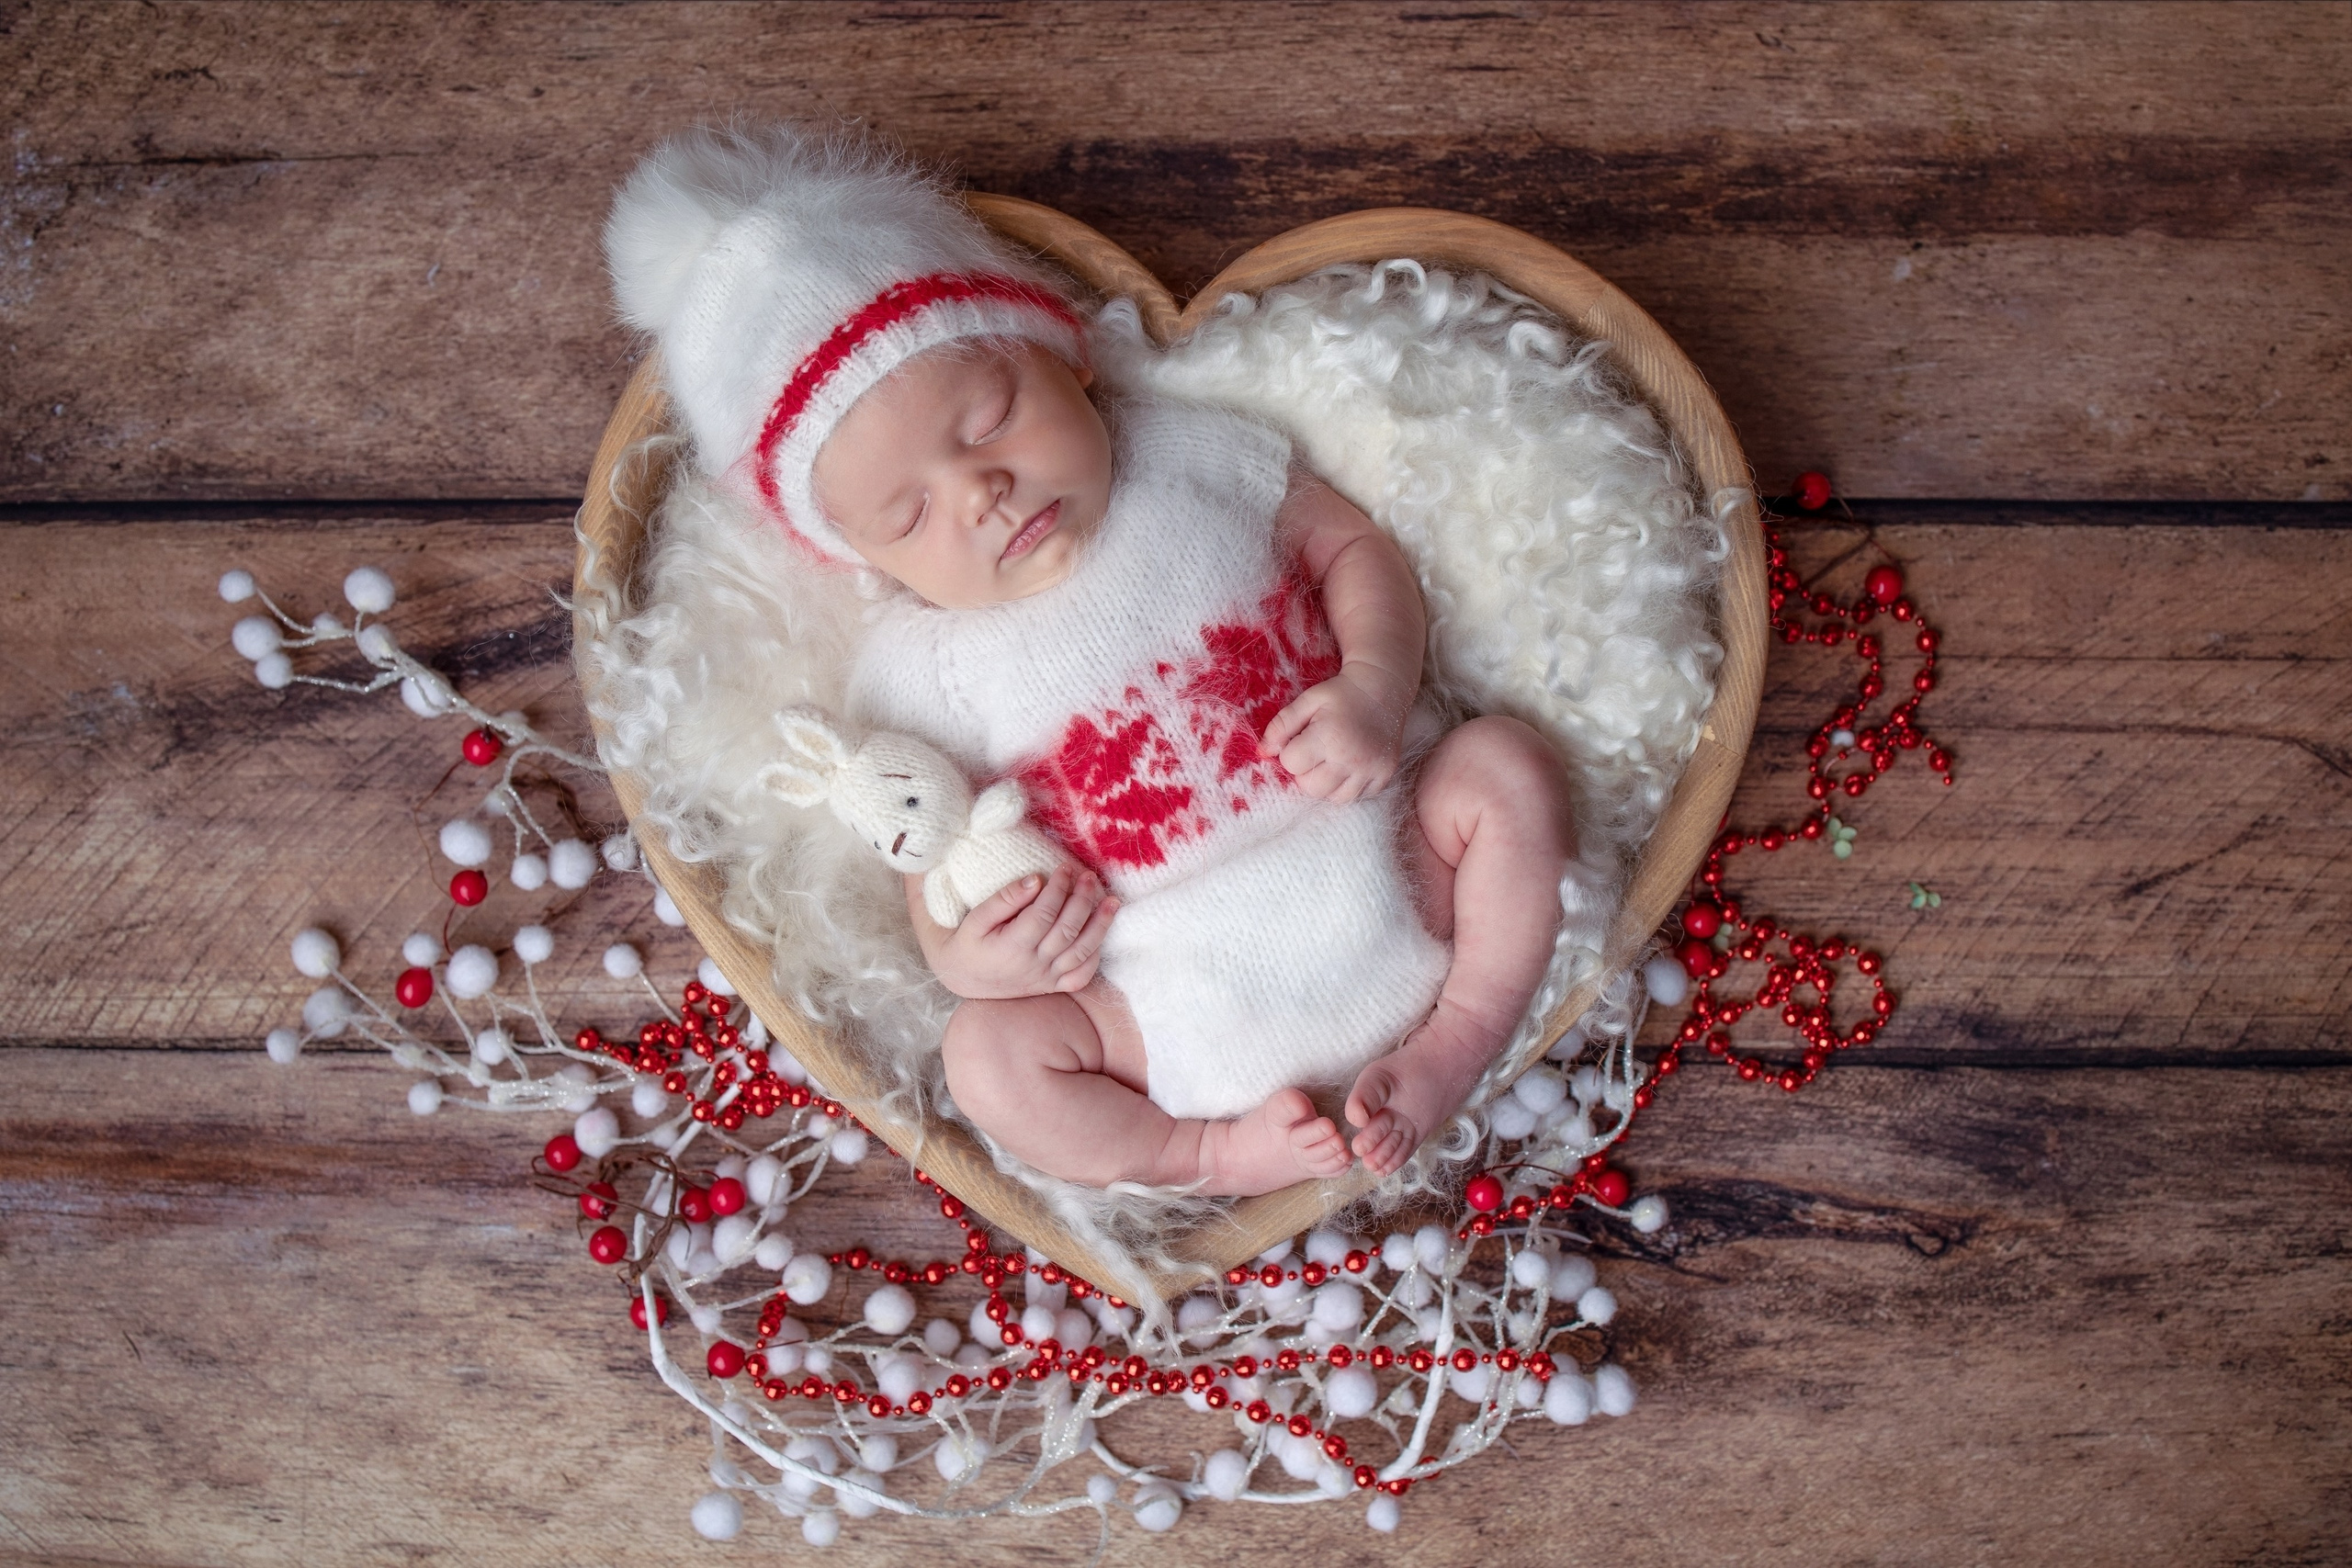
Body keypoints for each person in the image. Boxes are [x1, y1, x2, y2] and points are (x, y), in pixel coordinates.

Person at [606, 126, 1576, 1197]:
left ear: (1063, 357)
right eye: (909, 511)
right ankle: (1199, 1158)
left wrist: (1375, 690)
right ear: (859, 556)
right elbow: (935, 871)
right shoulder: (915, 670)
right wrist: (980, 959)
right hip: (1171, 1001)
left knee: (1505, 768)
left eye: (989, 419)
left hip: (1391, 863)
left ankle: (1457, 1037)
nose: (979, 493)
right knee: (986, 1056)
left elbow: (1349, 548)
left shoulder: (1182, 459)